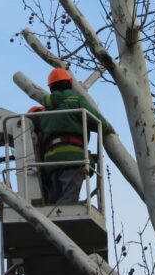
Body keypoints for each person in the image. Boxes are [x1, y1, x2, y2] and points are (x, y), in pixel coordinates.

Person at [38, 67, 113, 204]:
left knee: (55, 199)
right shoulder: (76, 101)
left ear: (51, 88)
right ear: (69, 83)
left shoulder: (45, 111)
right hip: (73, 159)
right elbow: (95, 120)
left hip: (51, 162)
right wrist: (109, 128)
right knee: (68, 201)